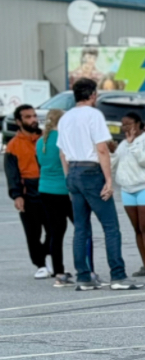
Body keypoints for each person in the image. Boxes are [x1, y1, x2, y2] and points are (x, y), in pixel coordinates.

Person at [57, 78, 142, 291]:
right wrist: (109, 180)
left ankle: (83, 277)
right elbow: (102, 149)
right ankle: (118, 276)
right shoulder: (94, 115)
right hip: (91, 171)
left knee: (81, 228)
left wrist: (69, 177)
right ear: (93, 95)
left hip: (74, 170)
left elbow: (62, 152)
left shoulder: (65, 118)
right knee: (111, 226)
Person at [110, 111, 145, 278]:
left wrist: (133, 145)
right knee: (137, 229)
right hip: (128, 189)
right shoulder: (123, 144)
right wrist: (112, 152)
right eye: (123, 124)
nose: (125, 127)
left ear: (138, 124)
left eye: (129, 124)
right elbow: (113, 166)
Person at [36, 109, 79, 287]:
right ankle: (85, 268)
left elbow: (41, 163)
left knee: (56, 233)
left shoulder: (40, 142)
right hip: (64, 190)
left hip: (45, 189)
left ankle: (59, 272)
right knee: (82, 228)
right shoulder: (64, 139)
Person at [5, 104, 49, 278]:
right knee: (33, 232)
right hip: (27, 191)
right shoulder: (13, 146)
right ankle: (41, 265)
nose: (33, 120)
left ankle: (47, 253)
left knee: (55, 229)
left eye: (34, 116)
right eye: (28, 117)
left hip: (48, 188)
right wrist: (16, 195)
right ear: (19, 121)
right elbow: (11, 173)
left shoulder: (45, 139)